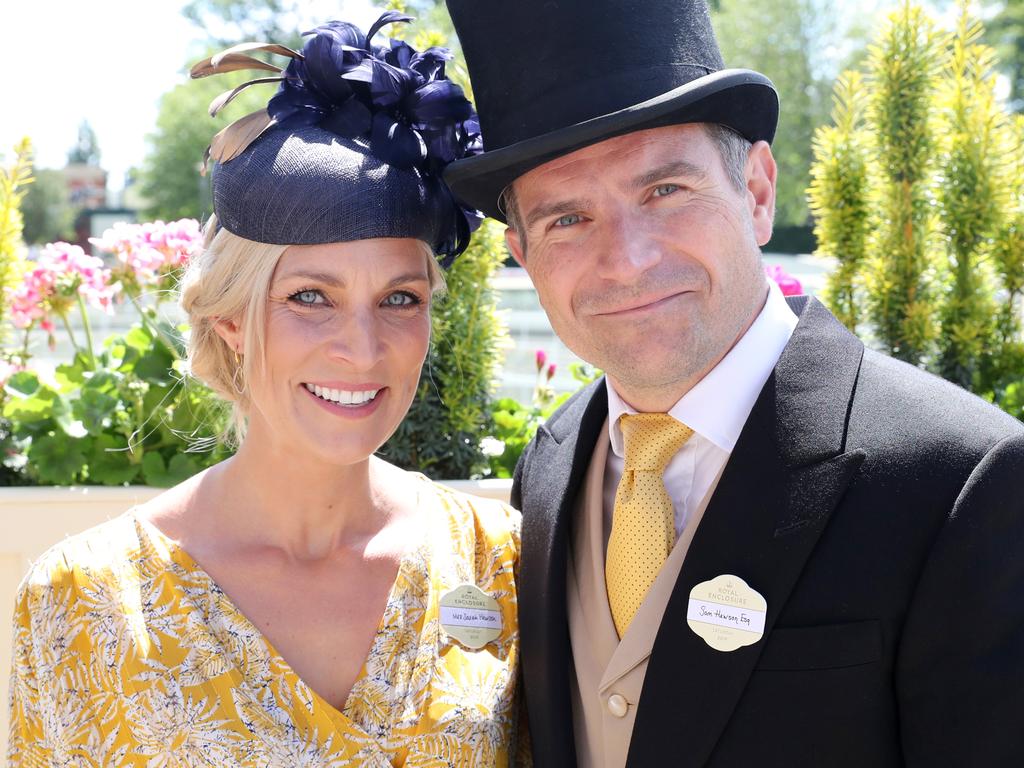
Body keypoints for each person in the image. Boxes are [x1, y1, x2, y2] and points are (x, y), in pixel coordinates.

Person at [442, 0, 1024, 766]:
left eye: (665, 192)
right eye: (567, 220)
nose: (629, 259)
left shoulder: (963, 481)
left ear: (755, 190)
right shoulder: (550, 464)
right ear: (520, 250)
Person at [8, 13, 524, 767]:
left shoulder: (503, 563)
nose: (363, 347)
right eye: (310, 296)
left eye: (400, 299)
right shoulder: (84, 599)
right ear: (230, 323)